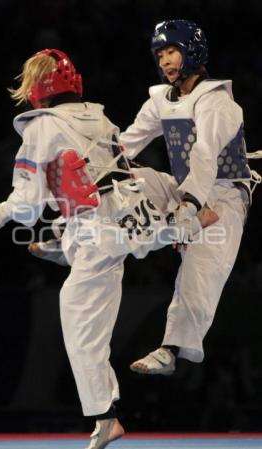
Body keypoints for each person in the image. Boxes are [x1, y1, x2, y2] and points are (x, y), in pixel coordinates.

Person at [0, 48, 216, 449]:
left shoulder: (41, 126)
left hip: (100, 233)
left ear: (37, 89)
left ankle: (106, 418)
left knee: (77, 317)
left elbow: (28, 204)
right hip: (135, 205)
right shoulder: (100, 116)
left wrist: (3, 210)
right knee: (109, 192)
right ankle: (186, 216)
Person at [119, 19, 255, 375]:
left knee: (198, 274)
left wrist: (190, 208)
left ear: (191, 51)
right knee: (131, 177)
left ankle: (169, 349)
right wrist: (89, 167)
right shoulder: (159, 100)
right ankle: (83, 233)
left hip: (223, 197)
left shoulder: (216, 100)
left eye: (172, 51)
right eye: (160, 53)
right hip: (185, 192)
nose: (165, 60)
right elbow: (126, 146)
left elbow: (205, 154)